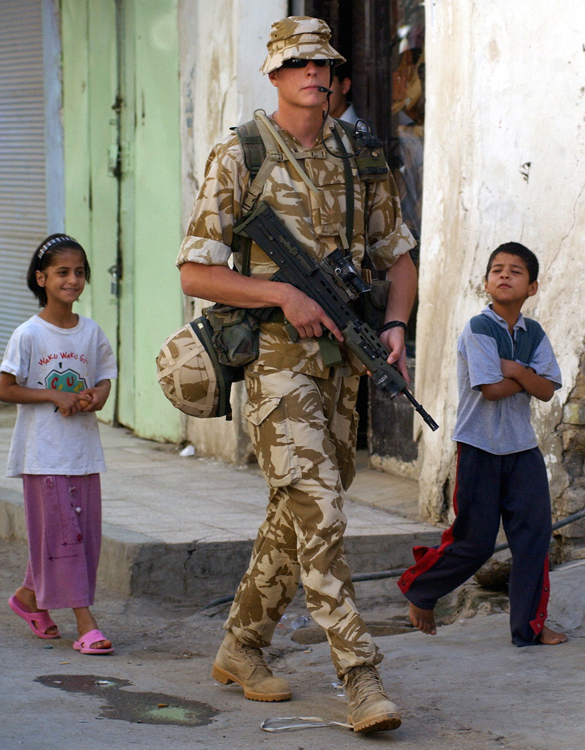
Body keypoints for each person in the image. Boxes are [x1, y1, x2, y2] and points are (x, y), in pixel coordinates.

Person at [177, 16, 417, 733]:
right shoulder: (241, 153)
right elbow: (196, 270)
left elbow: (397, 256)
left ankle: (242, 645)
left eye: (324, 63)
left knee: (299, 510)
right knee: (321, 508)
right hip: (277, 357)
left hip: (343, 361)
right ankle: (360, 676)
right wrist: (282, 292)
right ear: (275, 76)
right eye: (298, 63)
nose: (314, 73)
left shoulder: (360, 155)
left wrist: (397, 324)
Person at [398, 242, 568, 647]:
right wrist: (525, 375)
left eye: (516, 271)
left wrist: (517, 370)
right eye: (497, 269)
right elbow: (491, 389)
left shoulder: (535, 333)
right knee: (474, 540)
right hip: (479, 446)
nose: (505, 275)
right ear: (486, 282)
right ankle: (421, 588)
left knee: (533, 537)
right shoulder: (479, 328)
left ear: (532, 287)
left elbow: (546, 391)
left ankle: (528, 627)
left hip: (522, 448)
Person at [0, 234, 117, 655]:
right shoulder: (28, 334)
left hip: (82, 453)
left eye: (79, 272)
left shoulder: (91, 332)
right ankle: (85, 624)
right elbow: (5, 390)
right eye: (63, 272)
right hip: (44, 453)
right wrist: (53, 394)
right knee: (66, 537)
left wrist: (96, 396)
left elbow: (103, 379)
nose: (73, 280)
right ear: (42, 278)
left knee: (78, 535)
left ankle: (28, 598)